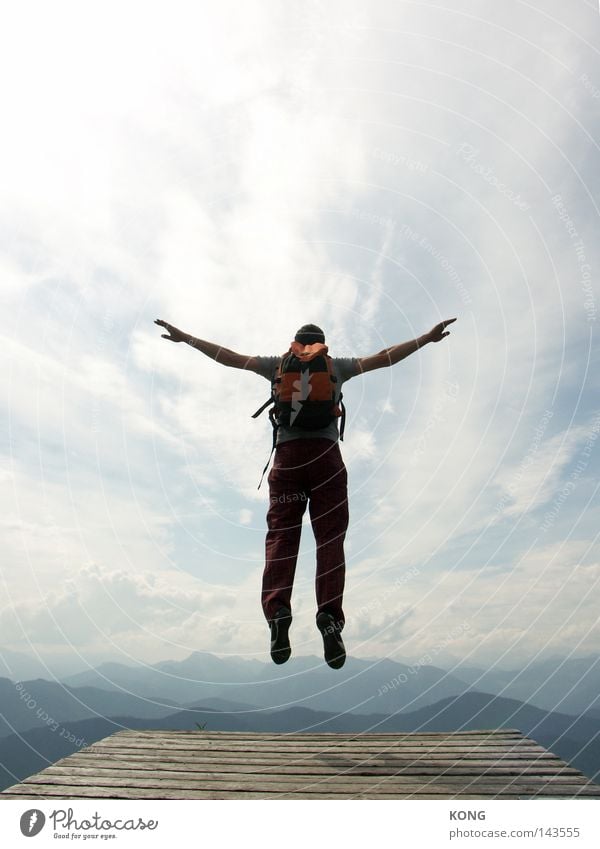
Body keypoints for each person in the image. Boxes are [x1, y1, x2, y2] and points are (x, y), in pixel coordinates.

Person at [155, 316, 457, 669]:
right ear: (323, 345)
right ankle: (329, 617)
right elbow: (385, 356)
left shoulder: (276, 366)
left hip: (287, 464)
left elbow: (229, 357)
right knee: (330, 540)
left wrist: (186, 337)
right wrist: (425, 337)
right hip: (326, 461)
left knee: (282, 536)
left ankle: (278, 610)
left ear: (294, 344)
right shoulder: (337, 368)